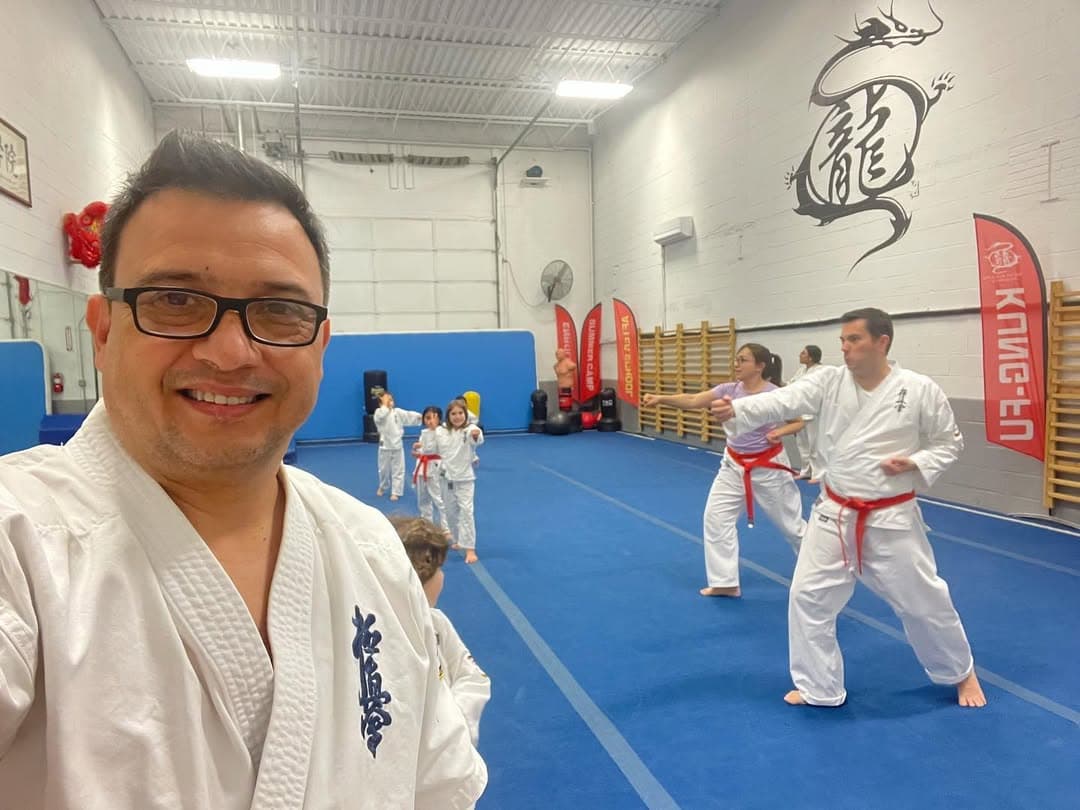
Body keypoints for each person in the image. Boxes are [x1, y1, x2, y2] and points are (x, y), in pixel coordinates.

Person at [0, 132, 487, 808]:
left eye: (279, 311)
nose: (230, 353)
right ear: (104, 329)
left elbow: (438, 785)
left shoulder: (372, 547)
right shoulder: (18, 546)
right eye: (174, 300)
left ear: (319, 345)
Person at [711, 308, 986, 709]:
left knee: (924, 601)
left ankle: (960, 672)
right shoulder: (828, 381)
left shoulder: (919, 389)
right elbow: (786, 399)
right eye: (842, 340)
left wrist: (916, 463)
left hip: (890, 516)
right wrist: (739, 409)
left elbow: (948, 443)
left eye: (854, 339)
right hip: (833, 512)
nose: (845, 347)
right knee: (807, 597)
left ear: (882, 342)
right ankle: (819, 687)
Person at [642, 343, 807, 597]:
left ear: (760, 366)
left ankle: (816, 573)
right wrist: (661, 398)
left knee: (792, 527)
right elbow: (694, 400)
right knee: (716, 518)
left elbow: (798, 422)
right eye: (736, 359)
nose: (736, 364)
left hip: (768, 468)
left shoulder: (774, 394)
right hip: (733, 465)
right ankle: (725, 582)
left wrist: (779, 432)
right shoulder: (728, 389)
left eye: (743, 360)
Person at [389, 515, 491, 746]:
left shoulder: (437, 623)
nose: (442, 576)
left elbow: (473, 677)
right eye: (439, 569)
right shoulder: (377, 641)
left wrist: (454, 720)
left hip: (453, 741)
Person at [437, 398, 484, 564]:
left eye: (460, 413)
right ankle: (457, 539)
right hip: (446, 478)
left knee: (466, 512)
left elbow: (476, 437)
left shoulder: (470, 429)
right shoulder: (441, 431)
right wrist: (420, 449)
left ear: (465, 415)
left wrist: (476, 436)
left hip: (465, 479)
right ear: (448, 416)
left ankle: (470, 548)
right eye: (453, 414)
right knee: (450, 512)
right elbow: (432, 447)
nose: (457, 417)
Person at [374, 390, 423, 500]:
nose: (390, 402)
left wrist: (420, 417)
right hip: (384, 446)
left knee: (398, 469)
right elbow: (381, 416)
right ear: (380, 403)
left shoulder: (397, 412)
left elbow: (408, 416)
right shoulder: (378, 413)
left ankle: (396, 491)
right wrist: (385, 405)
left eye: (391, 400)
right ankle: (383, 486)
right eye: (387, 400)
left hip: (397, 446)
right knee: (383, 469)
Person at [786, 344, 826, 478]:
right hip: (800, 413)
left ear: (810, 357)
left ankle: (816, 472)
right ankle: (805, 471)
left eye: (803, 353)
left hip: (813, 414)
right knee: (802, 444)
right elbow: (791, 384)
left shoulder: (821, 371)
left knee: (814, 445)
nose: (800, 355)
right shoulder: (801, 370)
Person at [412, 405, 450, 533]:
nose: (430, 421)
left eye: (434, 418)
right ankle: (427, 524)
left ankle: (446, 527)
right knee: (423, 499)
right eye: (427, 418)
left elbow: (435, 449)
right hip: (423, 467)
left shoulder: (443, 432)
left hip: (435, 468)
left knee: (439, 499)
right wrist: (418, 451)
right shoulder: (424, 433)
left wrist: (423, 450)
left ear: (440, 419)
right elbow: (424, 451)